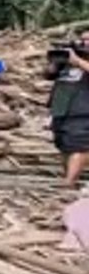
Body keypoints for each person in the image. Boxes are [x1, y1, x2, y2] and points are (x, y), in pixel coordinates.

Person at [45, 31, 89, 189]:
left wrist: (78, 61)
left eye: (88, 40)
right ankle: (69, 177)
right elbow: (49, 76)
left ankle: (69, 182)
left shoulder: (78, 60)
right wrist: (54, 63)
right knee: (64, 144)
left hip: (84, 110)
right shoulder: (70, 60)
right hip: (62, 108)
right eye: (82, 39)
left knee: (81, 145)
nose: (84, 43)